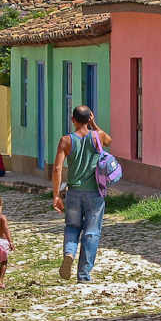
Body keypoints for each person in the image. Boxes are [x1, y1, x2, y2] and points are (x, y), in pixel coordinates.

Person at [52, 106, 112, 283]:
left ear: (72, 119)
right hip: (95, 193)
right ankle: (84, 275)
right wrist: (94, 125)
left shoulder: (66, 141)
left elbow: (57, 169)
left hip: (73, 193)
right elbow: (108, 141)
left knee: (71, 227)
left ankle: (69, 253)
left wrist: (56, 195)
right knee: (91, 232)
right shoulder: (97, 136)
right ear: (89, 119)